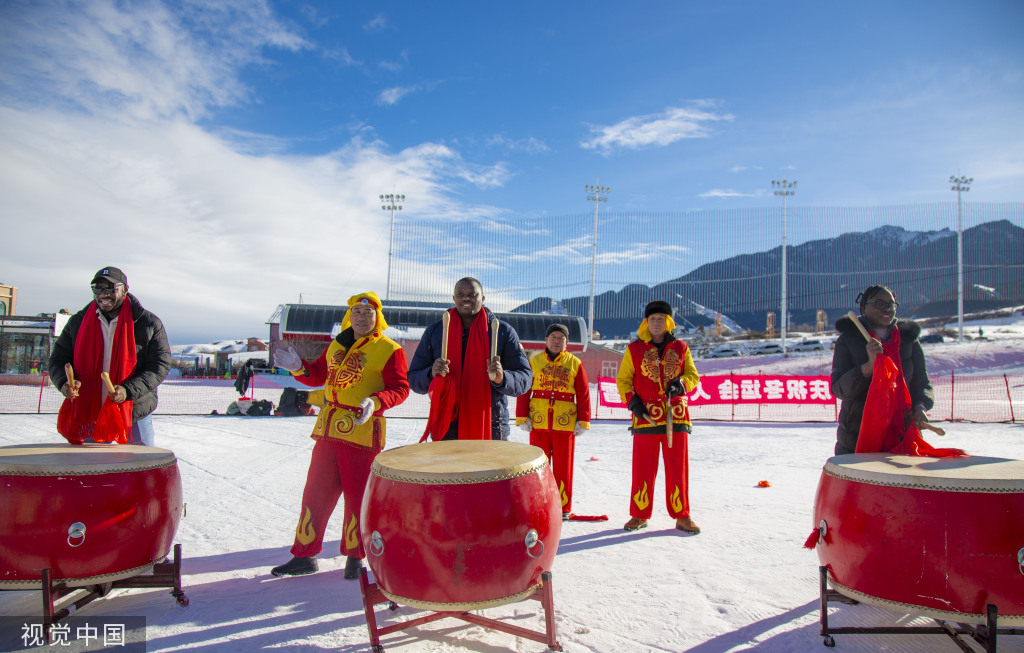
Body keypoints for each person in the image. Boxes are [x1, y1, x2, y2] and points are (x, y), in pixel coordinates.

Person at [270, 292, 409, 580]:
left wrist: (377, 401)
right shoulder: (337, 344)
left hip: (362, 429)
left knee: (357, 497)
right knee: (315, 493)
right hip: (328, 428)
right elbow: (318, 375)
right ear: (349, 317)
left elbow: (401, 388)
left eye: (367, 313)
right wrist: (298, 367)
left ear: (377, 318)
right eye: (356, 312)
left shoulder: (389, 349)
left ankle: (355, 558)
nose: (361, 317)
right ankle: (304, 556)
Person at [48, 266, 171, 446]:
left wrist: (128, 390)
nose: (104, 294)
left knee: (141, 467)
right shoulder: (78, 322)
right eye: (98, 289)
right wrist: (64, 383)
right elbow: (58, 360)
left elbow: (160, 365)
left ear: (125, 290)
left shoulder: (148, 323)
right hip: (91, 410)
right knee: (95, 468)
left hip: (134, 411)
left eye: (110, 288)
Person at [408, 277, 531, 440]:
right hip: (446, 428)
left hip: (490, 428)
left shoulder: (502, 332)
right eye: (460, 294)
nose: (466, 298)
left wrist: (503, 378)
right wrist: (431, 374)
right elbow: (414, 378)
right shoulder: (436, 332)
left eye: (472, 294)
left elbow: (525, 378)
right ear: (454, 299)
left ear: (483, 298)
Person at [615, 300, 701, 534]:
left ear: (668, 322)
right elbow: (623, 380)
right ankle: (639, 514)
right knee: (643, 468)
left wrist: (681, 384)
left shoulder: (681, 348)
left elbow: (692, 375)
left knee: (678, 468)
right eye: (652, 319)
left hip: (676, 416)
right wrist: (633, 403)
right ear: (646, 322)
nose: (656, 323)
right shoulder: (634, 349)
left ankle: (682, 516)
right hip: (646, 417)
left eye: (661, 319)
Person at [831, 285, 934, 456]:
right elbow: (838, 389)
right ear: (863, 307)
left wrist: (920, 405)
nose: (887, 308)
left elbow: (922, 383)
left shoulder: (908, 340)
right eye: (879, 303)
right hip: (857, 436)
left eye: (891, 304)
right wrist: (868, 367)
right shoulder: (848, 340)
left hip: (903, 435)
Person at [515, 323, 591, 520]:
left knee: (563, 466)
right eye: (553, 337)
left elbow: (583, 394)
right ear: (546, 340)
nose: (557, 341)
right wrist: (523, 416)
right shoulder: (534, 361)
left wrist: (583, 420)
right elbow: (525, 389)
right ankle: (538, 505)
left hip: (564, 423)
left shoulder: (575, 363)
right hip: (539, 421)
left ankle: (563, 507)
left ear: (567, 342)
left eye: (561, 338)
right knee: (538, 466)